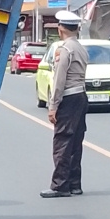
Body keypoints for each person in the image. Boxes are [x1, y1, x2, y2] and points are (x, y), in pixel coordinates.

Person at [40, 12, 88, 198]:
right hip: (81, 96)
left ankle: (60, 185)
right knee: (76, 142)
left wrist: (53, 106)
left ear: (60, 29)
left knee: (62, 141)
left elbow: (59, 80)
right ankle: (75, 184)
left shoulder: (65, 49)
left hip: (68, 98)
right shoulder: (81, 48)